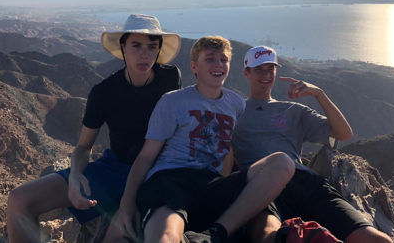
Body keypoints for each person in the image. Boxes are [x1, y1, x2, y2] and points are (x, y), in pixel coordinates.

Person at [6, 14, 182, 243]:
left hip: (157, 171)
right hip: (114, 169)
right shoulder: (104, 92)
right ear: (123, 48)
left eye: (152, 47)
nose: (144, 54)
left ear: (159, 50)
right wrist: (75, 177)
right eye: (136, 45)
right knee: (19, 199)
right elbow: (83, 147)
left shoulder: (170, 78)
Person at [105, 36, 295, 243]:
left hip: (211, 184)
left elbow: (231, 148)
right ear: (194, 67)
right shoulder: (173, 101)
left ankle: (216, 233)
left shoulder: (236, 104)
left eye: (224, 60)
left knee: (282, 163)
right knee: (165, 236)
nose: (218, 65)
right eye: (210, 59)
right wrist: (127, 204)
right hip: (171, 182)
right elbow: (146, 157)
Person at [232, 46, 393, 243]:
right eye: (259, 69)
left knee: (380, 240)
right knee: (268, 238)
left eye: (270, 69)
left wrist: (319, 94)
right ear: (246, 73)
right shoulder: (233, 112)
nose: (266, 75)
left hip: (304, 182)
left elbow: (343, 133)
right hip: (260, 185)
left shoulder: (293, 111)